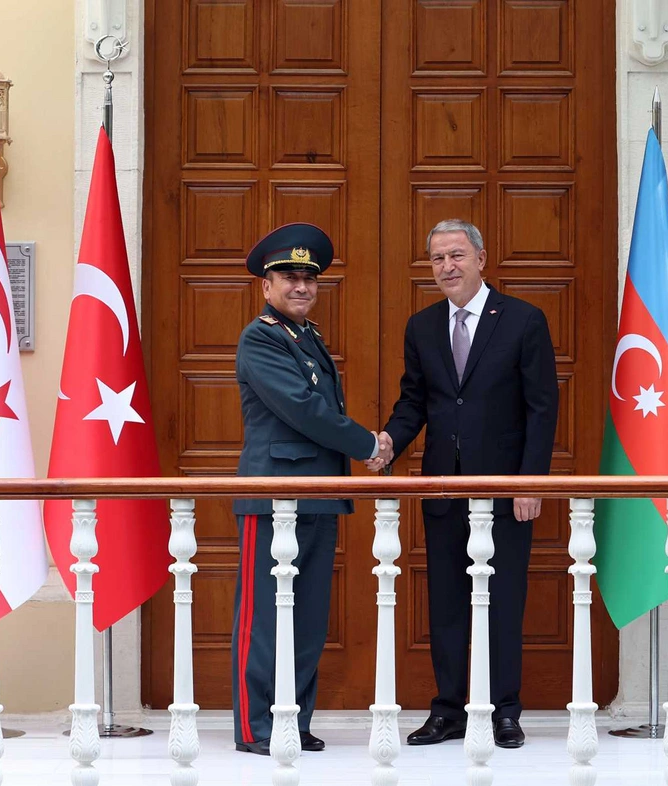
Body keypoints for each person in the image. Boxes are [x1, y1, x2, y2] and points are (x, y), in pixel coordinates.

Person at [372, 219, 559, 749]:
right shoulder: (422, 326)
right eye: (437, 259)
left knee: (503, 600)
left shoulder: (522, 320)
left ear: (481, 257)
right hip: (443, 491)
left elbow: (542, 408)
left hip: (505, 491)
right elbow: (414, 402)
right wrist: (388, 442)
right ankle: (449, 710)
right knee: (447, 603)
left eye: (456, 255)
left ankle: (505, 711)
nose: (447, 267)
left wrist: (530, 482)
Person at [231, 222, 382, 755]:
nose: (301, 287)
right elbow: (303, 409)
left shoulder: (307, 336)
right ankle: (256, 727)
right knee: (264, 618)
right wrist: (369, 444)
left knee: (308, 617)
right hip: (274, 497)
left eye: (309, 278)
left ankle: (292, 720)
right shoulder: (261, 337)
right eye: (288, 277)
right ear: (266, 285)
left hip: (316, 493)